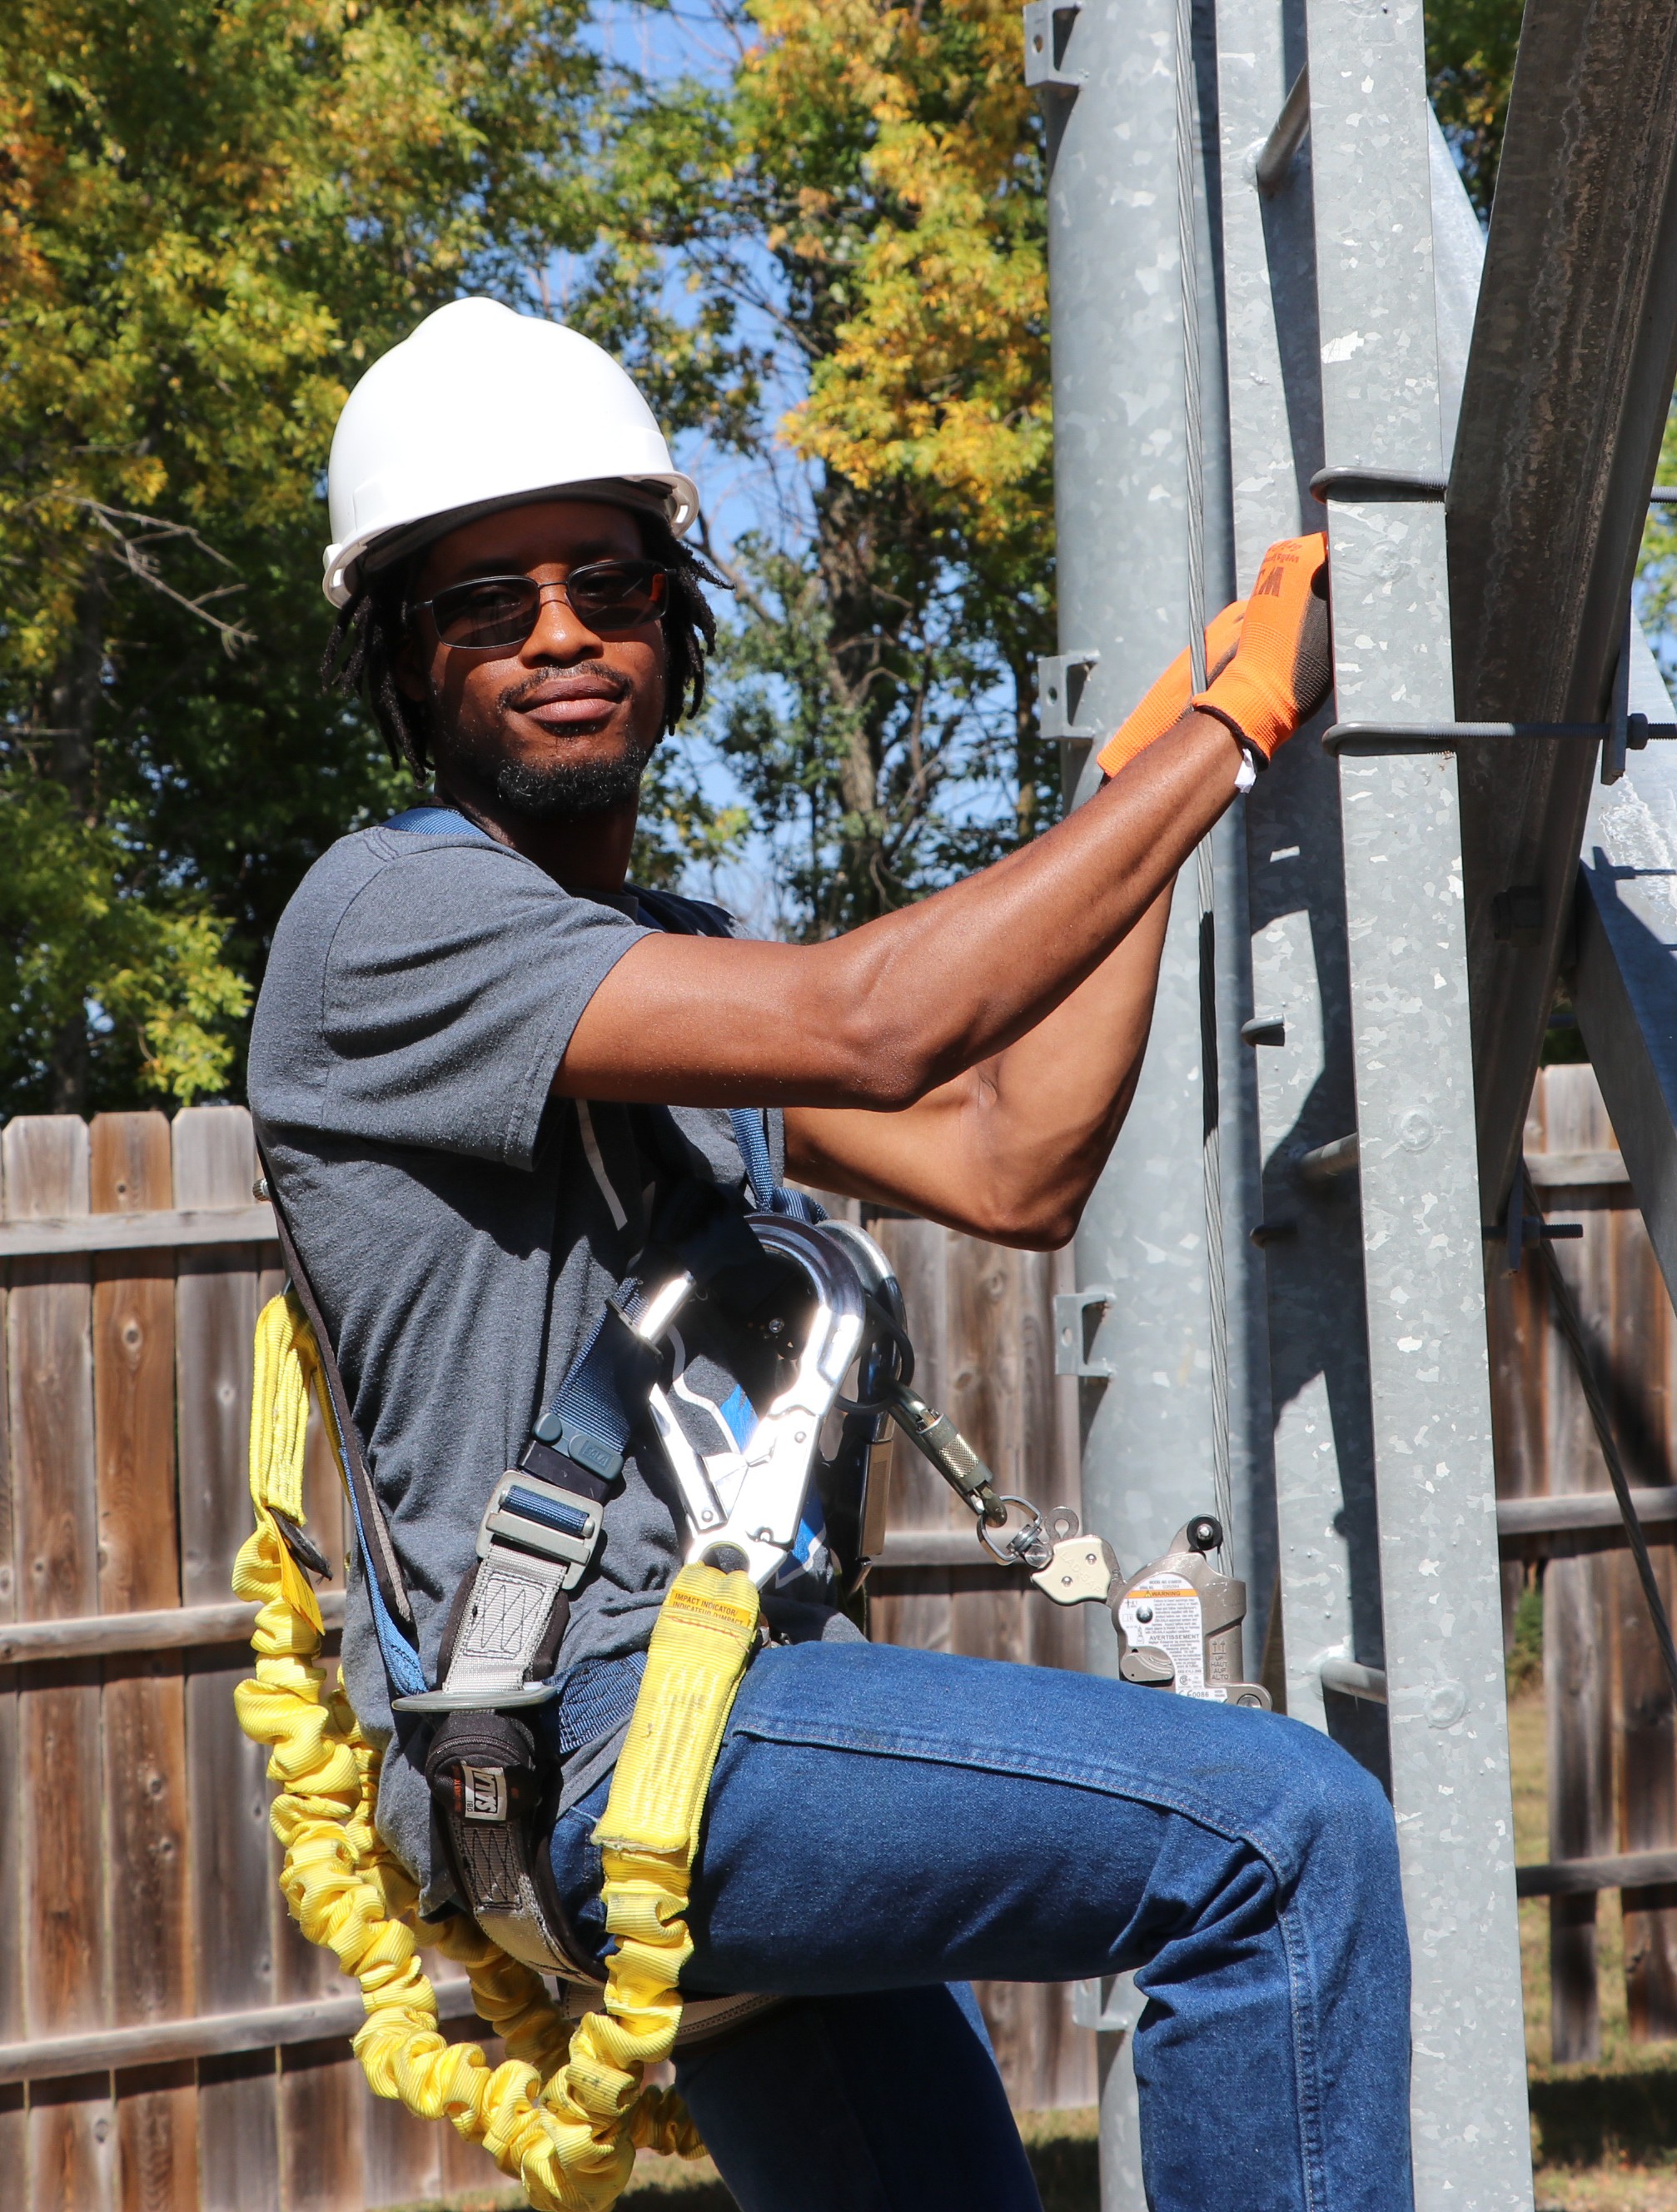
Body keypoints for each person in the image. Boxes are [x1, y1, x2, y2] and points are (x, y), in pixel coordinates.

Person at [248, 296, 1411, 2212]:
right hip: (617, 1729)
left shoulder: (656, 963)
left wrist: (1147, 800)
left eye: (602, 583)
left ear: (667, 615)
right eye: (485, 603)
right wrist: (1213, 739)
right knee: (1275, 1839)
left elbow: (1004, 1150)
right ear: (404, 653)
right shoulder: (390, 920)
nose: (555, 634)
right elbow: (878, 1021)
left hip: (685, 1732)